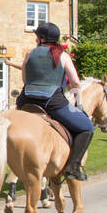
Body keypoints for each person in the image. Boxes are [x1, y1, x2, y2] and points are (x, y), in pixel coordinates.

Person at [13, 22, 94, 180]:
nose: (36, 38)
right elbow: (76, 83)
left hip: (25, 101)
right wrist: (80, 104)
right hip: (52, 103)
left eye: (37, 36)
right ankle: (73, 167)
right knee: (87, 127)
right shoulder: (63, 56)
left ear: (42, 38)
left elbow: (24, 79)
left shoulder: (30, 54)